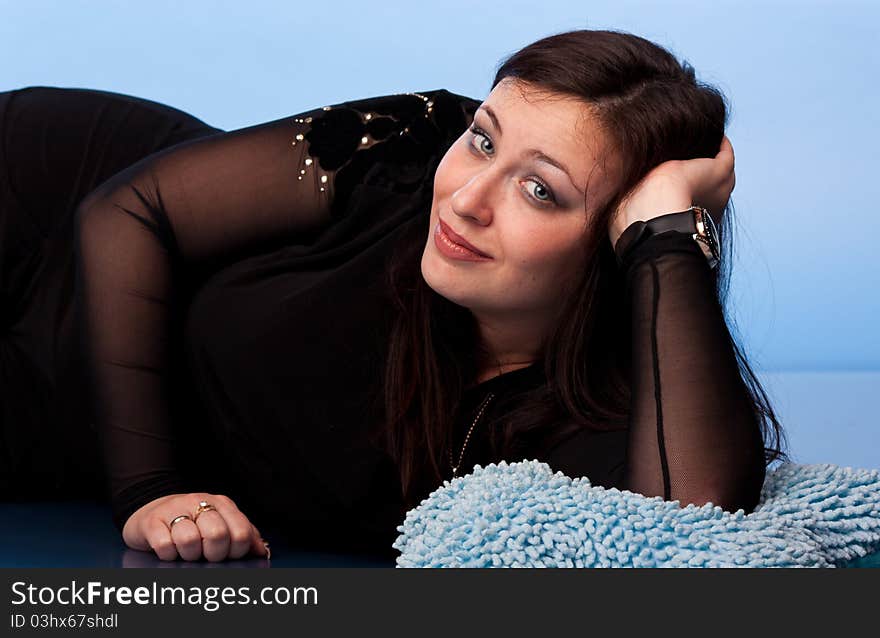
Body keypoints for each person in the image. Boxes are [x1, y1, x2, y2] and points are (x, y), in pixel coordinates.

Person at [0, 28, 788, 563]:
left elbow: (689, 526)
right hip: (45, 217)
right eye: (484, 138)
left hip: (46, 421)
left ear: (616, 241)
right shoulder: (410, 148)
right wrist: (153, 491)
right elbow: (131, 213)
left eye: (540, 190)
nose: (467, 198)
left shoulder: (599, 412)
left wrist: (666, 234)